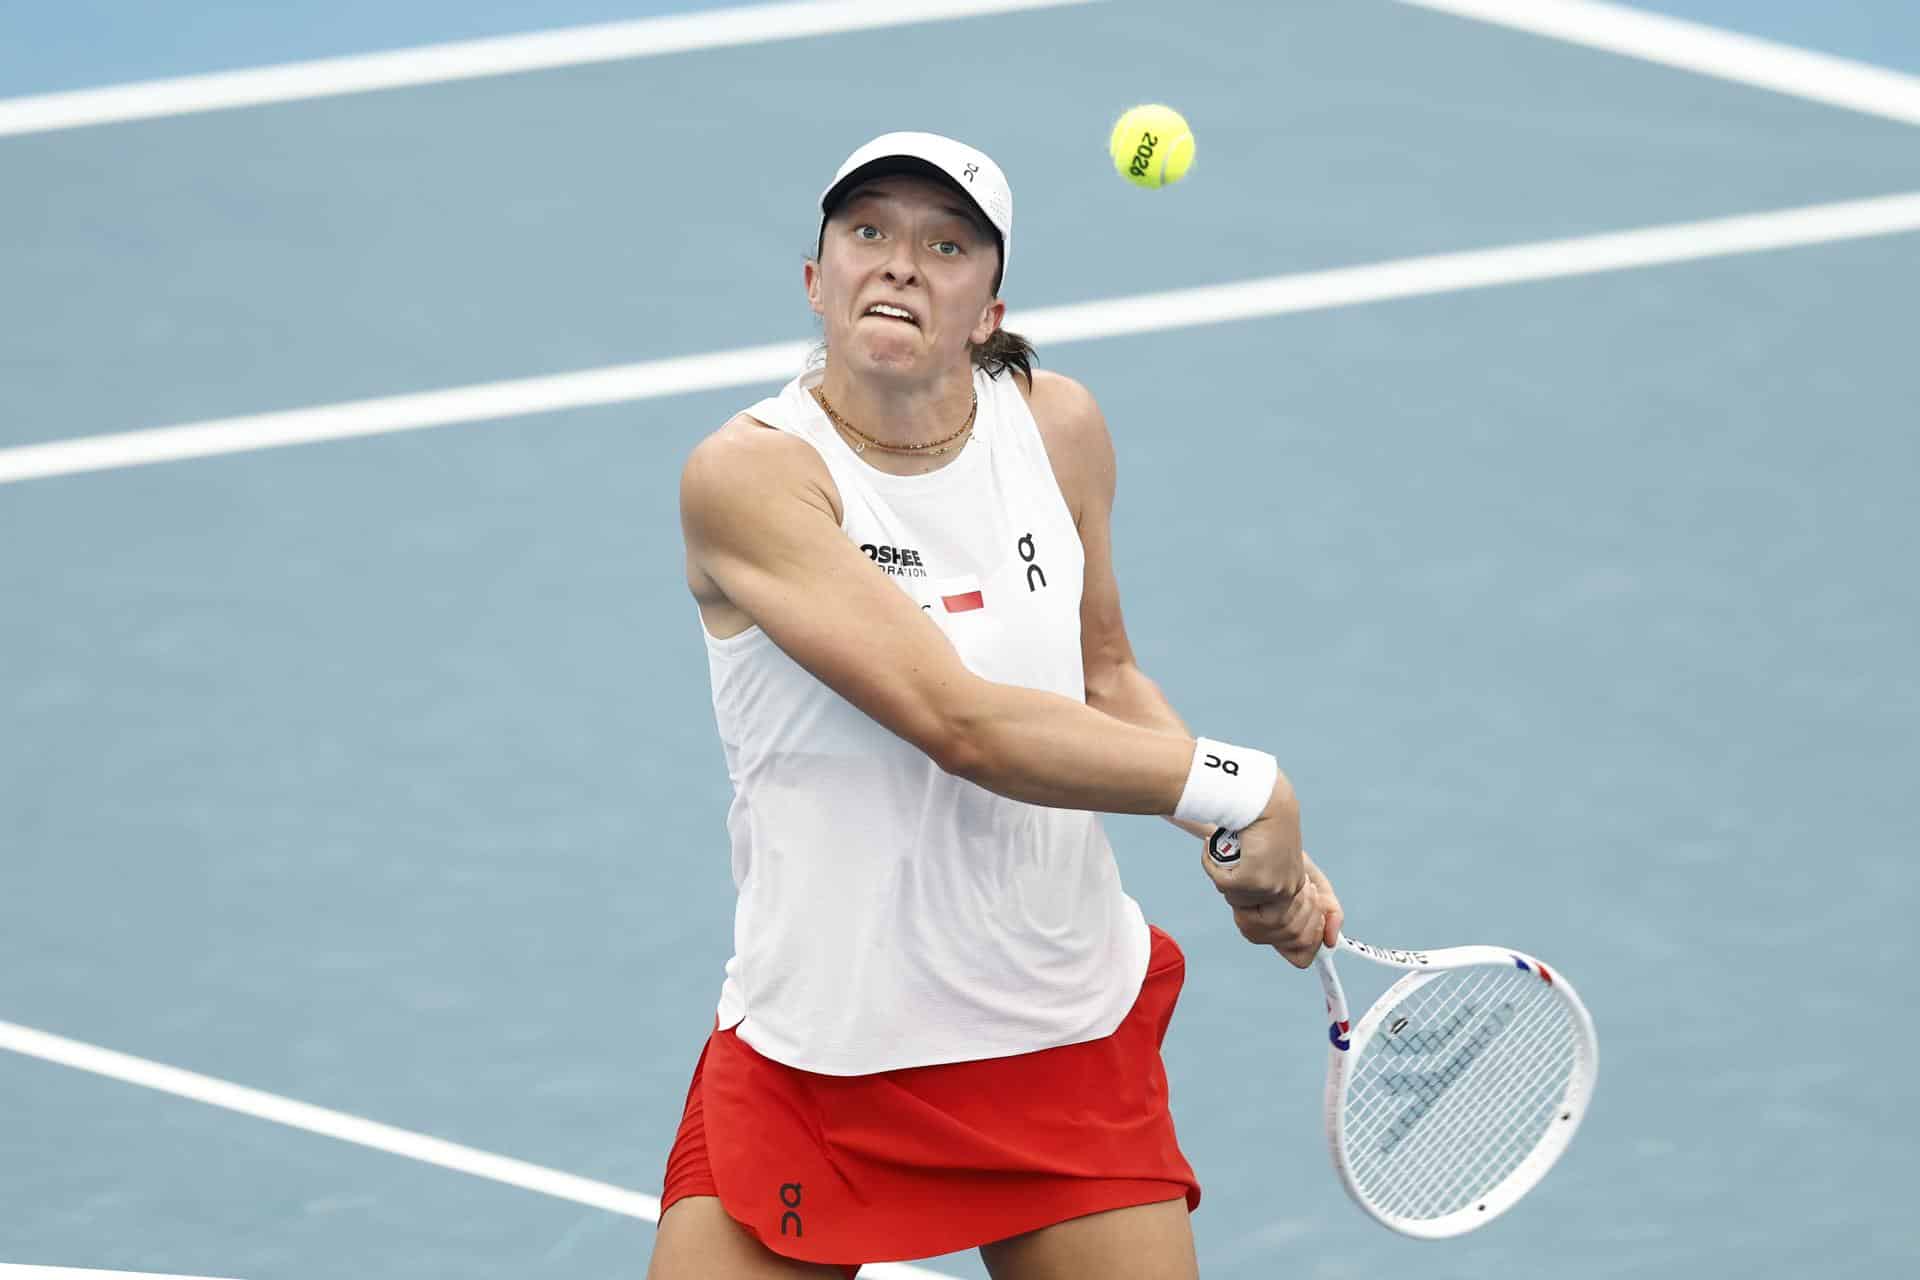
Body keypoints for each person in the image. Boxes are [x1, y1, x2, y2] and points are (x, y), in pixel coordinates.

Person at [649, 132, 1343, 1280]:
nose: (900, 261)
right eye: (868, 230)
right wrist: (1241, 788)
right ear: (815, 280)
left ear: (989, 310)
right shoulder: (752, 475)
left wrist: (1233, 837)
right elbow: (959, 722)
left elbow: (1104, 673)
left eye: (945, 244)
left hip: (1057, 1028)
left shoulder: (1056, 427)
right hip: (825, 1047)